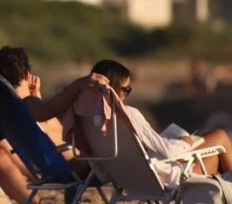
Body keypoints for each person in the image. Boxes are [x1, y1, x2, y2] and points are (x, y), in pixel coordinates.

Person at [91, 59, 232, 175]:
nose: (127, 93)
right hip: (164, 175)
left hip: (129, 177)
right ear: (113, 89)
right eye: (126, 89)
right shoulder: (128, 115)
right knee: (220, 137)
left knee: (216, 155)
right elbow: (168, 151)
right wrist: (185, 142)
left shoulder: (92, 118)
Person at [0, 46, 107, 144]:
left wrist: (37, 97)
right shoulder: (26, 104)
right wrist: (78, 85)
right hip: (71, 158)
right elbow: (51, 111)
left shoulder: (6, 108)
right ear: (27, 74)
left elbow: (46, 118)